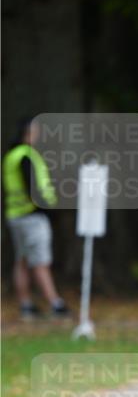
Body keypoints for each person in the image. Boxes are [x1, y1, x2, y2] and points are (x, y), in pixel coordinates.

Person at [2, 116, 70, 320]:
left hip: (15, 215)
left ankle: (26, 305)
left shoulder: (11, 156)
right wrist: (51, 209)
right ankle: (55, 303)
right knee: (40, 261)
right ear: (30, 132)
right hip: (33, 216)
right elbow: (34, 188)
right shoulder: (27, 156)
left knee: (21, 260)